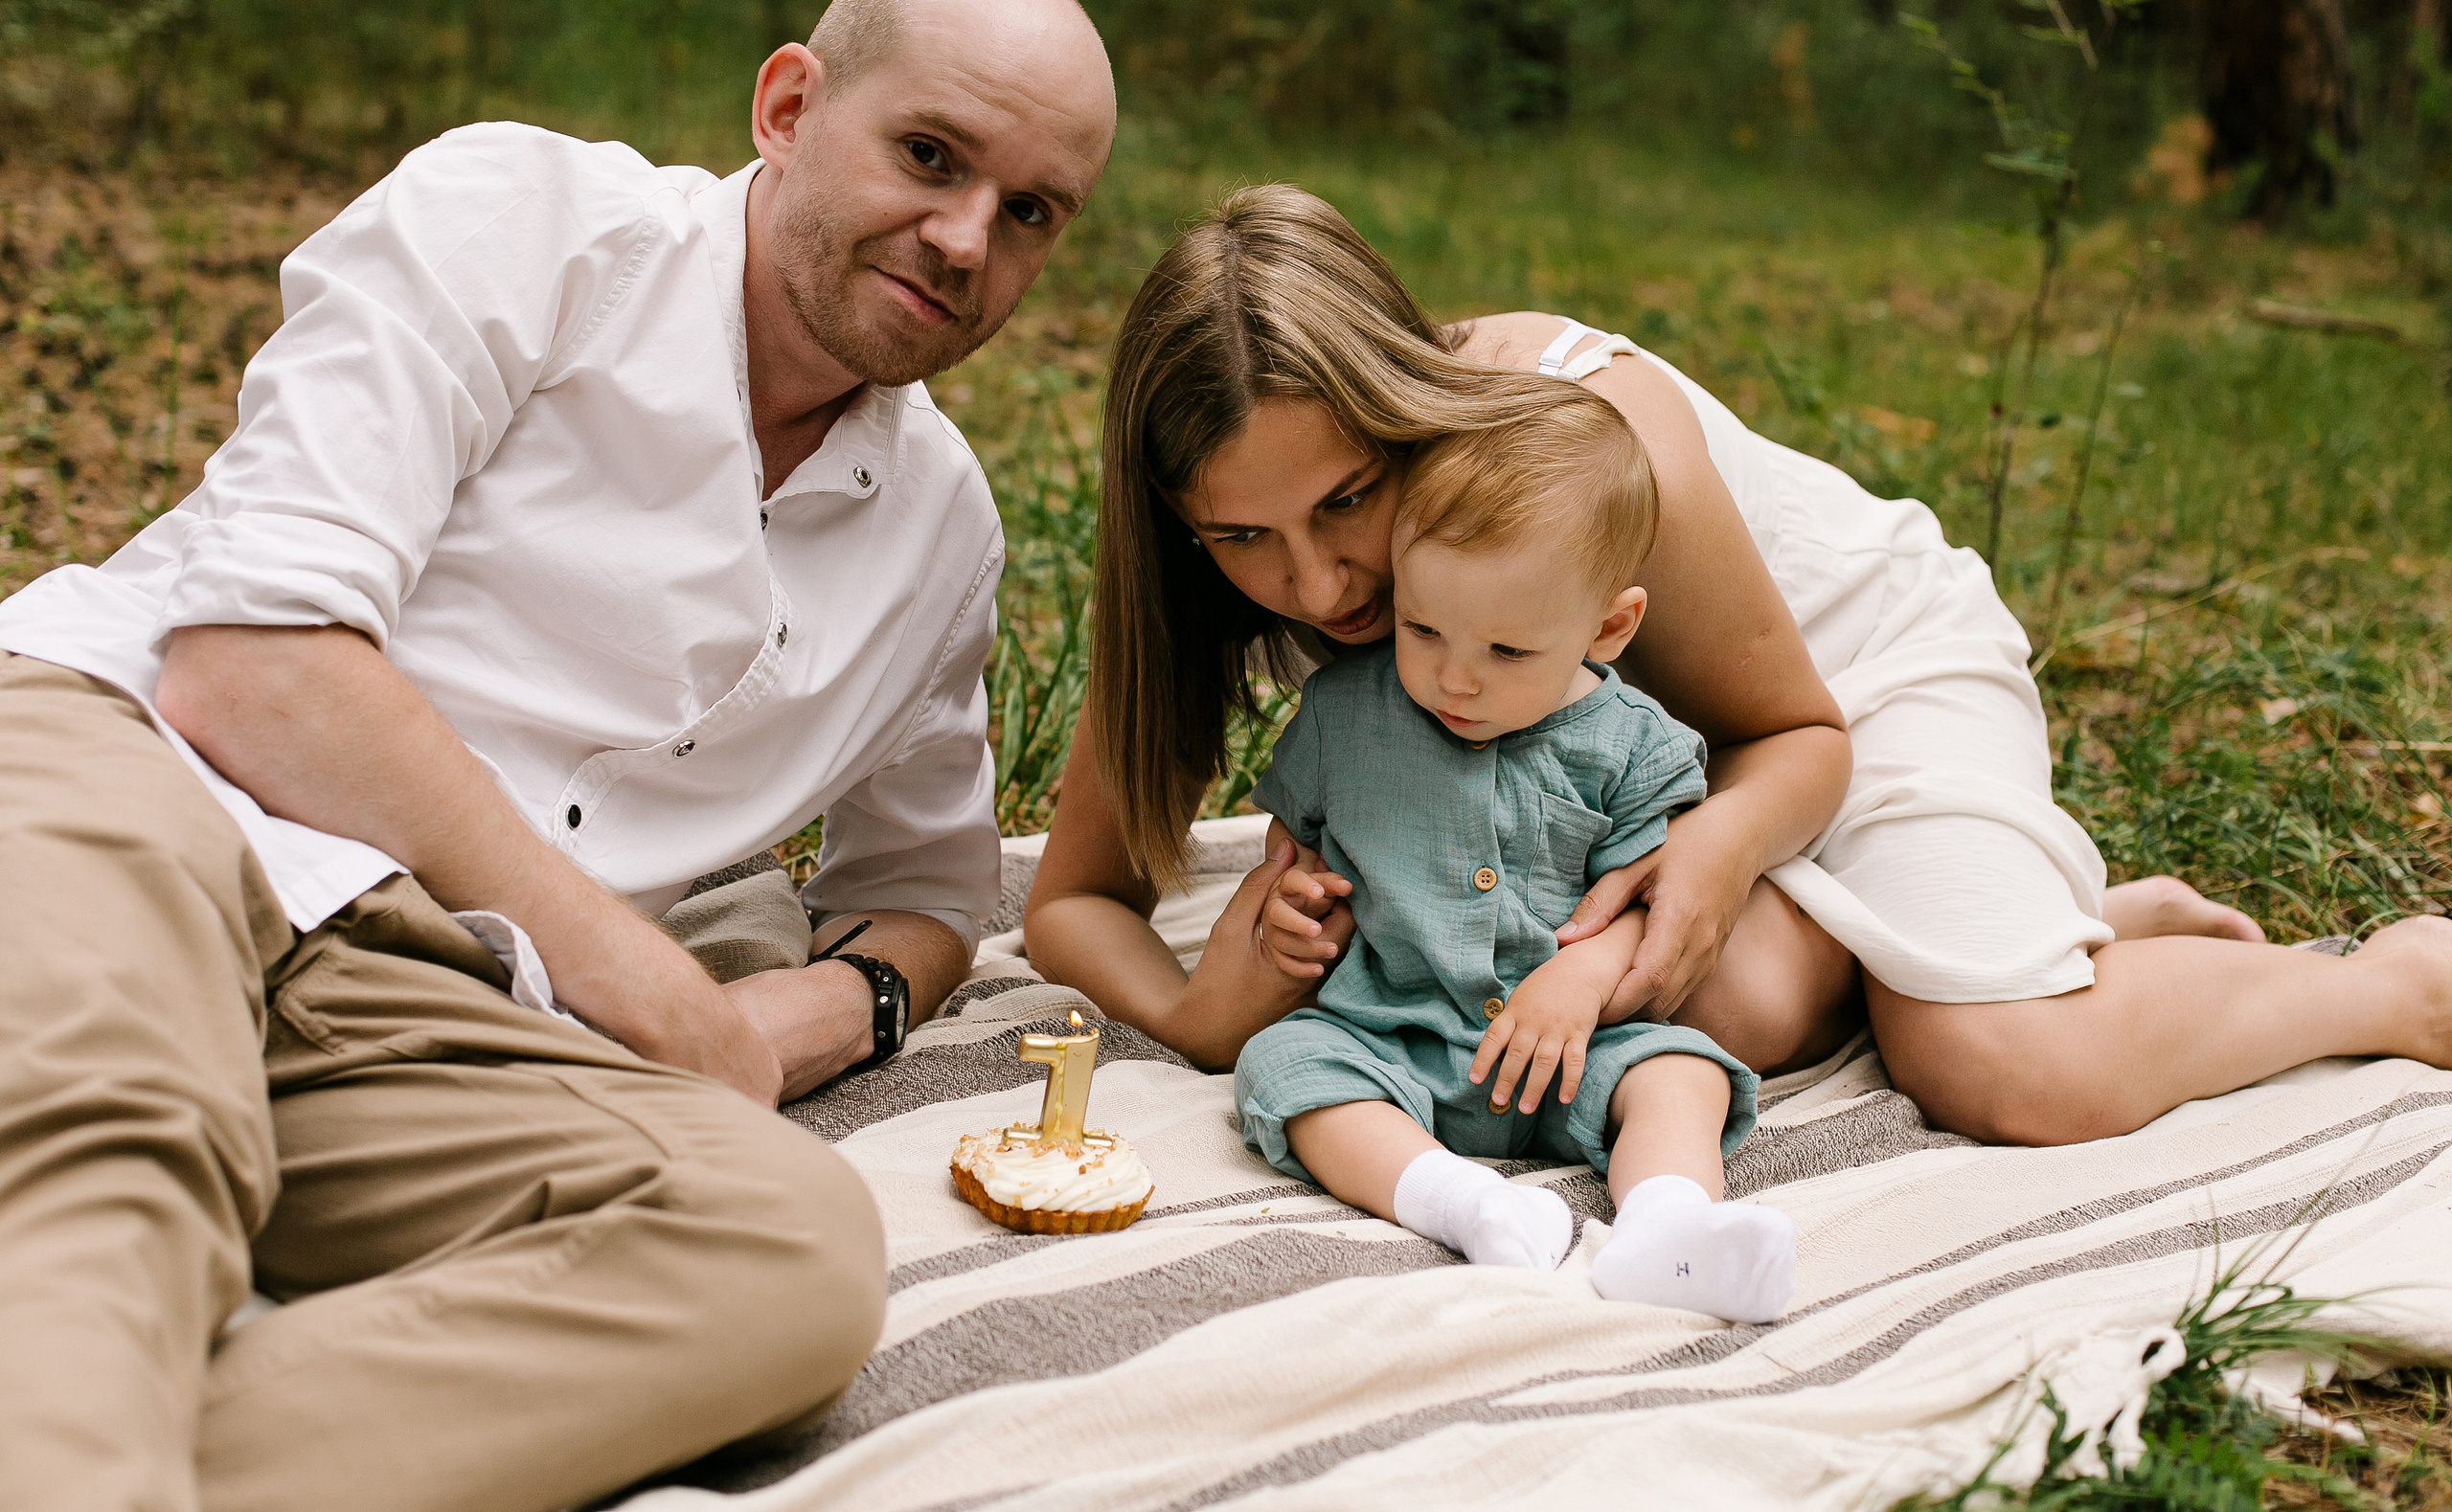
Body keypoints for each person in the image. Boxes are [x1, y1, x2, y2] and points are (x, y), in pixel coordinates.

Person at [0, 0, 1115, 1512]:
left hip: (432, 1009)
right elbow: (253, 667)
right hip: (146, 788)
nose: (962, 238)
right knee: (115, 1157)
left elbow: (927, 894)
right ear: (789, 106)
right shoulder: (526, 223)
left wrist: (808, 1020)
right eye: (931, 156)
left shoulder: (940, 531)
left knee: (781, 1251)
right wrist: (660, 996)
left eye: (1029, 216)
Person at [1023, 184, 2452, 1143]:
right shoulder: (1212, 539)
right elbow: (1076, 894)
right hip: (1610, 762)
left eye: (1347, 501)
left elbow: (1798, 733)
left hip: (1846, 693)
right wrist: (1192, 1011)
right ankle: (1979, 927)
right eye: (1244, 538)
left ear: (1404, 409)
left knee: (2002, 1067)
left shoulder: (1586, 444)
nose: (1318, 585)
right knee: (1728, 1010)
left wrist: (1709, 858)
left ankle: (2389, 986)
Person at [1234, 400, 1797, 1323]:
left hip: (1572, 1045)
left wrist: (1582, 980)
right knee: (1286, 1066)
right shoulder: (1345, 715)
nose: (1456, 678)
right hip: (1392, 1032)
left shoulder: (1633, 746)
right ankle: (1464, 1204)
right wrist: (1289, 900)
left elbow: (1648, 901)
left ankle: (1664, 1231)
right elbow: (1292, 844)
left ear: (1608, 628)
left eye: (1506, 649)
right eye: (1423, 631)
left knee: (1681, 1074)